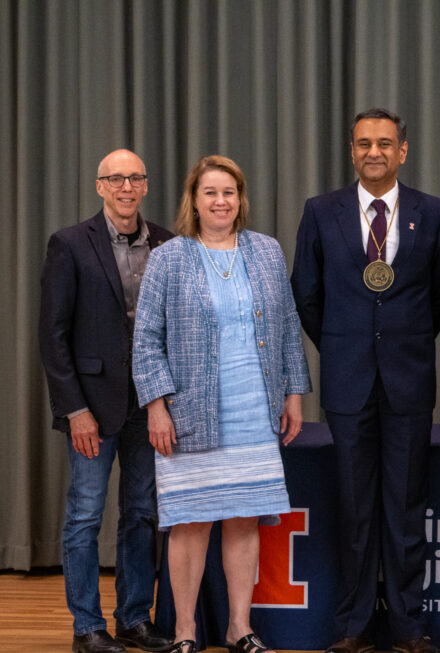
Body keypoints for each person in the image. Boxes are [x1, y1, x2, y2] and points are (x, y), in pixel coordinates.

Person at [132, 155, 311, 653]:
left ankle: (239, 627)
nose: (220, 201)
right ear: (194, 200)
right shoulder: (170, 257)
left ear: (240, 199)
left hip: (255, 408)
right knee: (189, 523)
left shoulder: (266, 252)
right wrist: (156, 406)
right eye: (210, 192)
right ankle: (186, 631)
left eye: (229, 192)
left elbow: (288, 327)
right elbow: (146, 337)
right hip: (190, 415)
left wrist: (294, 393)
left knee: (244, 519)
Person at [291, 108, 440, 653]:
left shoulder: (434, 213)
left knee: (407, 508)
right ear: (352, 150)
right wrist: (345, 343)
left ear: (403, 151)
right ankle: (353, 627)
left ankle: (410, 627)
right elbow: (306, 295)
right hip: (347, 380)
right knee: (355, 508)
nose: (374, 152)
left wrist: (398, 341)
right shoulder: (321, 212)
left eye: (385, 143)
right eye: (364, 143)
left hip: (408, 380)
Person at [39, 149, 174, 653]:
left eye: (135, 177)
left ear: (145, 185)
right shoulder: (70, 244)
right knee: (84, 517)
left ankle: (134, 619)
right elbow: (53, 336)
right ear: (99, 186)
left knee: (140, 514)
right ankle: (86, 628)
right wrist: (74, 410)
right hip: (91, 409)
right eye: (115, 178)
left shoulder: (168, 243)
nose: (125, 187)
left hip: (149, 407)